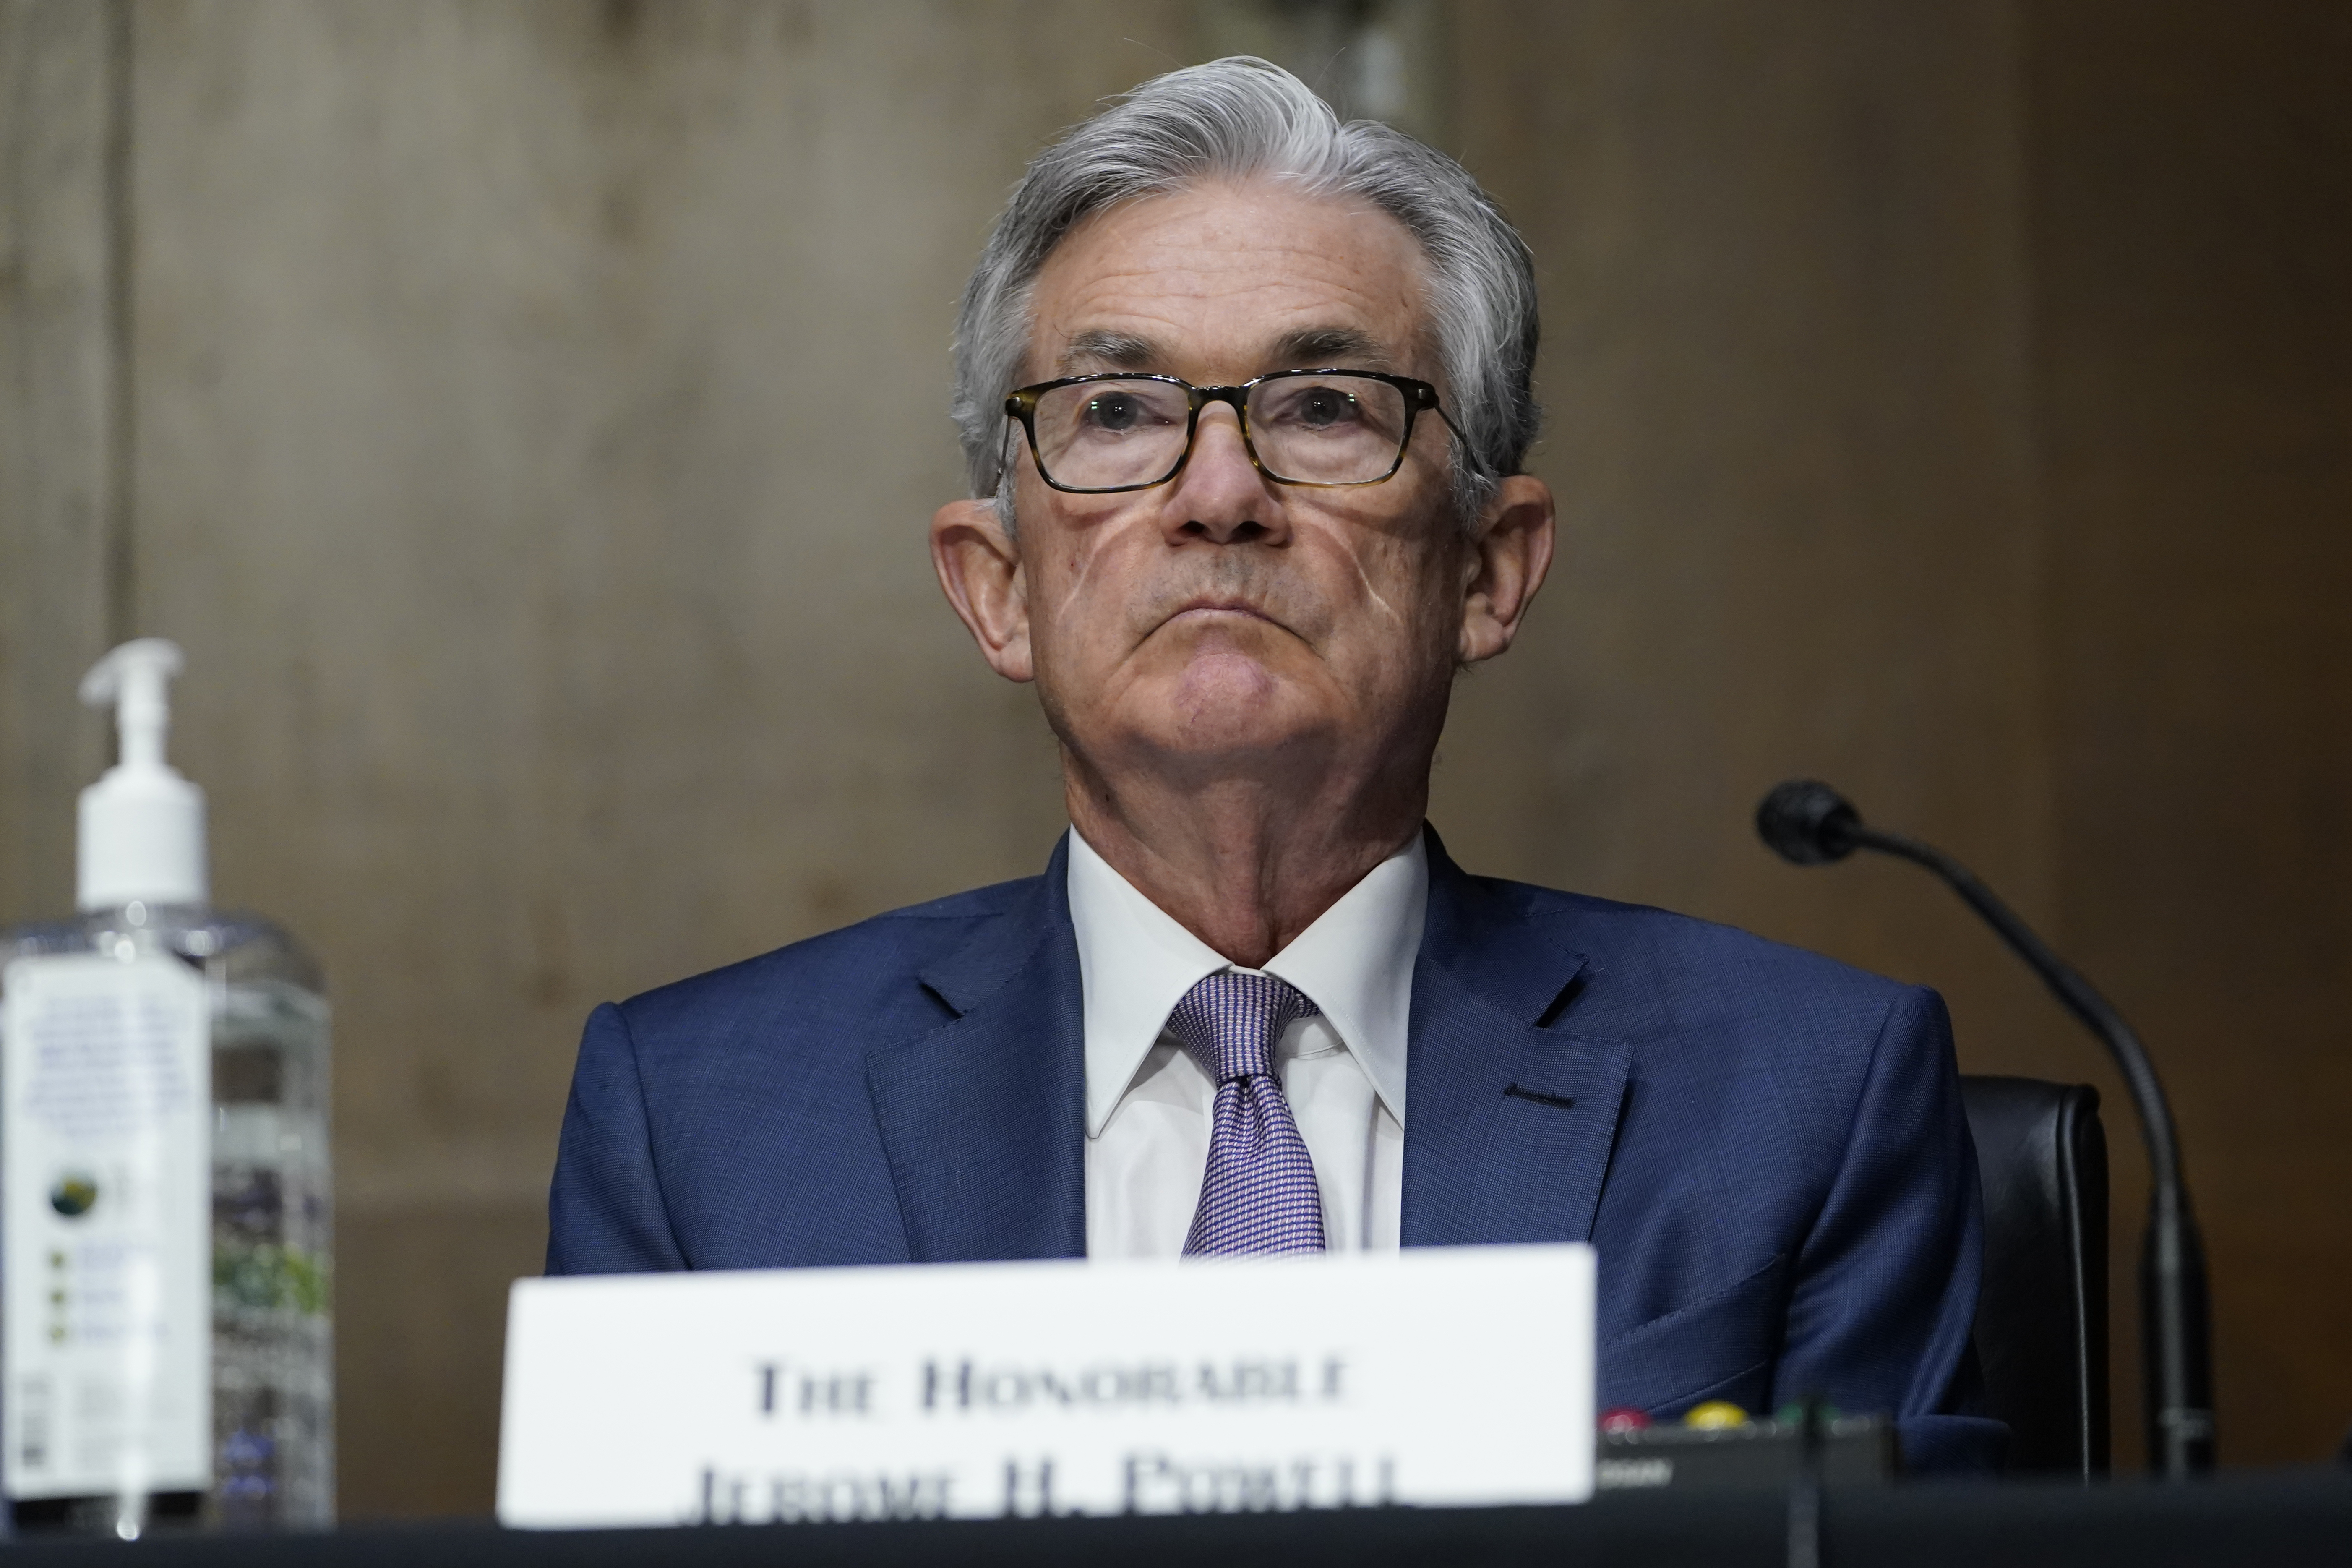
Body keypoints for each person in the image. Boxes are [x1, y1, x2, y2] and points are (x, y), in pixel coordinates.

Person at [546, 57, 2000, 1469]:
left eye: (1325, 408)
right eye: (1117, 412)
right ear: (997, 587)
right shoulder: (699, 1125)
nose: (1221, 494)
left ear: (1490, 572)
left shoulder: (1808, 1095)